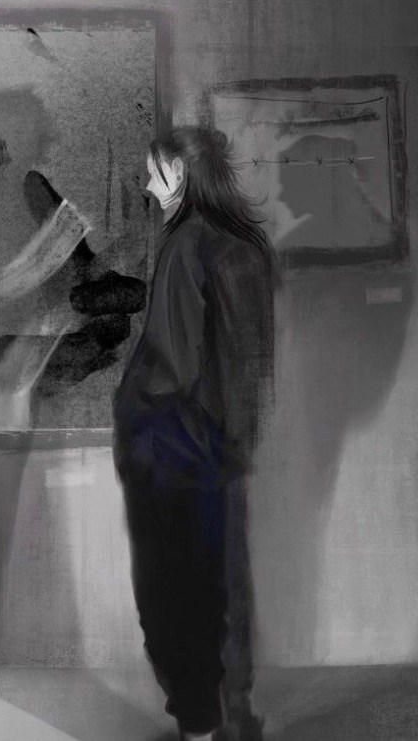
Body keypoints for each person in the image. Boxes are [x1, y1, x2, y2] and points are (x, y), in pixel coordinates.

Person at [113, 126, 275, 741]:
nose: (147, 182)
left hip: (172, 449)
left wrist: (129, 408)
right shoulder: (245, 245)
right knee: (222, 588)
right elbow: (251, 367)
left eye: (154, 171)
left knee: (169, 592)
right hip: (222, 450)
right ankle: (235, 716)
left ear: (180, 173)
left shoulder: (185, 245)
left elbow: (170, 364)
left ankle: (200, 728)